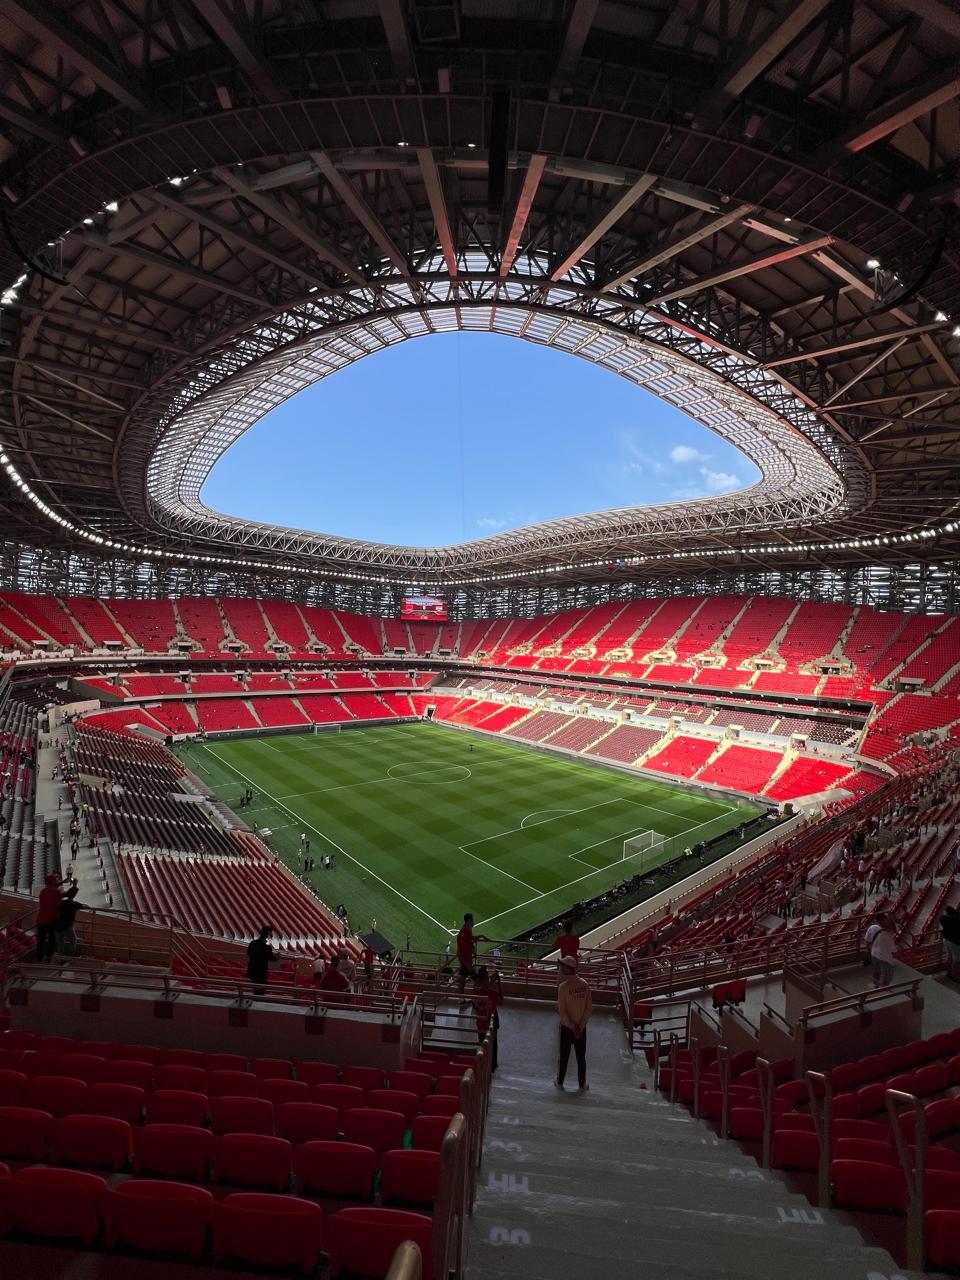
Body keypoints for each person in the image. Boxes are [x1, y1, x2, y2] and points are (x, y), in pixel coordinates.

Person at [556, 955, 592, 1091]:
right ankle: (582, 1084)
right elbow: (588, 1009)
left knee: (564, 1057)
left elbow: (562, 1011)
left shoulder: (563, 988)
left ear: (568, 968)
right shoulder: (585, 984)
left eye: (563, 965)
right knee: (581, 1058)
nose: (561, 967)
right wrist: (580, 1027)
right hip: (581, 1029)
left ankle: (560, 1082)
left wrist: (572, 1026)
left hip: (567, 1029)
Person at [472, 966, 503, 1070]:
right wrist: (497, 983)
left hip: (486, 1021)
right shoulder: (491, 992)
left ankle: (488, 1066)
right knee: (489, 1045)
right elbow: (501, 1001)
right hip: (486, 1021)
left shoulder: (476, 991)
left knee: (486, 1045)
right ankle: (490, 1066)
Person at [36, 873, 67, 962]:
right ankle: (49, 957)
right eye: (56, 880)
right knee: (52, 940)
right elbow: (68, 893)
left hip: (40, 920)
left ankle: (40, 958)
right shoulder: (56, 893)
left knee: (41, 940)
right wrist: (75, 885)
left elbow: (52, 887)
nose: (57, 881)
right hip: (51, 921)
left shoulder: (43, 891)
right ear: (53, 882)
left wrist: (61, 883)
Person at [456, 913, 489, 993]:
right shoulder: (462, 935)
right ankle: (478, 995)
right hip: (465, 961)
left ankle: (461, 997)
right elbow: (459, 954)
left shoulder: (468, 929)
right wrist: (467, 965)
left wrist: (482, 936)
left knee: (463, 981)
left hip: (468, 960)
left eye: (472, 920)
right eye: (471, 921)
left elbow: (471, 938)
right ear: (466, 922)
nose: (473, 923)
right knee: (475, 979)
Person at [54, 879, 84, 956]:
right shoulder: (74, 904)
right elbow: (85, 906)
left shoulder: (61, 902)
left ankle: (61, 958)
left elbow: (66, 894)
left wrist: (74, 886)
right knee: (73, 941)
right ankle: (70, 956)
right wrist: (74, 885)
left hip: (57, 926)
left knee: (60, 943)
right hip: (67, 926)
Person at [246, 924, 277, 995]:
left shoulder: (253, 943)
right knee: (261, 988)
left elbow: (248, 953)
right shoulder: (266, 946)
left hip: (253, 969)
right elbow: (272, 958)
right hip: (261, 971)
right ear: (267, 934)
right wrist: (278, 956)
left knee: (256, 987)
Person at [870, 916, 897, 988]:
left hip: (874, 954)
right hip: (884, 957)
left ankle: (875, 985)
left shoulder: (879, 931)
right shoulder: (888, 936)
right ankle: (885, 987)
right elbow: (893, 951)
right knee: (887, 975)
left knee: (877, 971)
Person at [941, 906, 960, 980]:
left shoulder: (944, 919)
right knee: (956, 960)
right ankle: (955, 976)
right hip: (955, 942)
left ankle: (949, 973)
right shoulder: (957, 919)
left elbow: (942, 917)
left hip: (946, 940)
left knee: (949, 957)